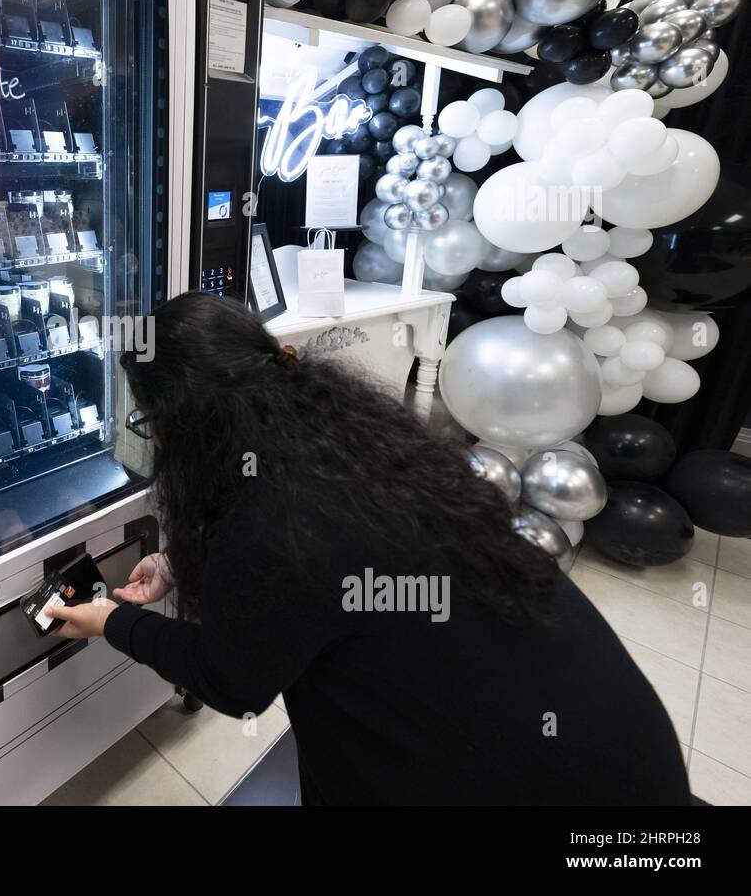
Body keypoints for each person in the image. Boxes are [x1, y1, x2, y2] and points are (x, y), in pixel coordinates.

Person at [47, 291, 690, 806]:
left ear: (188, 422)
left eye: (149, 421)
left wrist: (114, 622)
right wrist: (184, 563)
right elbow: (313, 580)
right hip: (622, 756)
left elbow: (231, 681)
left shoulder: (280, 520)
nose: (151, 436)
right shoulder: (347, 443)